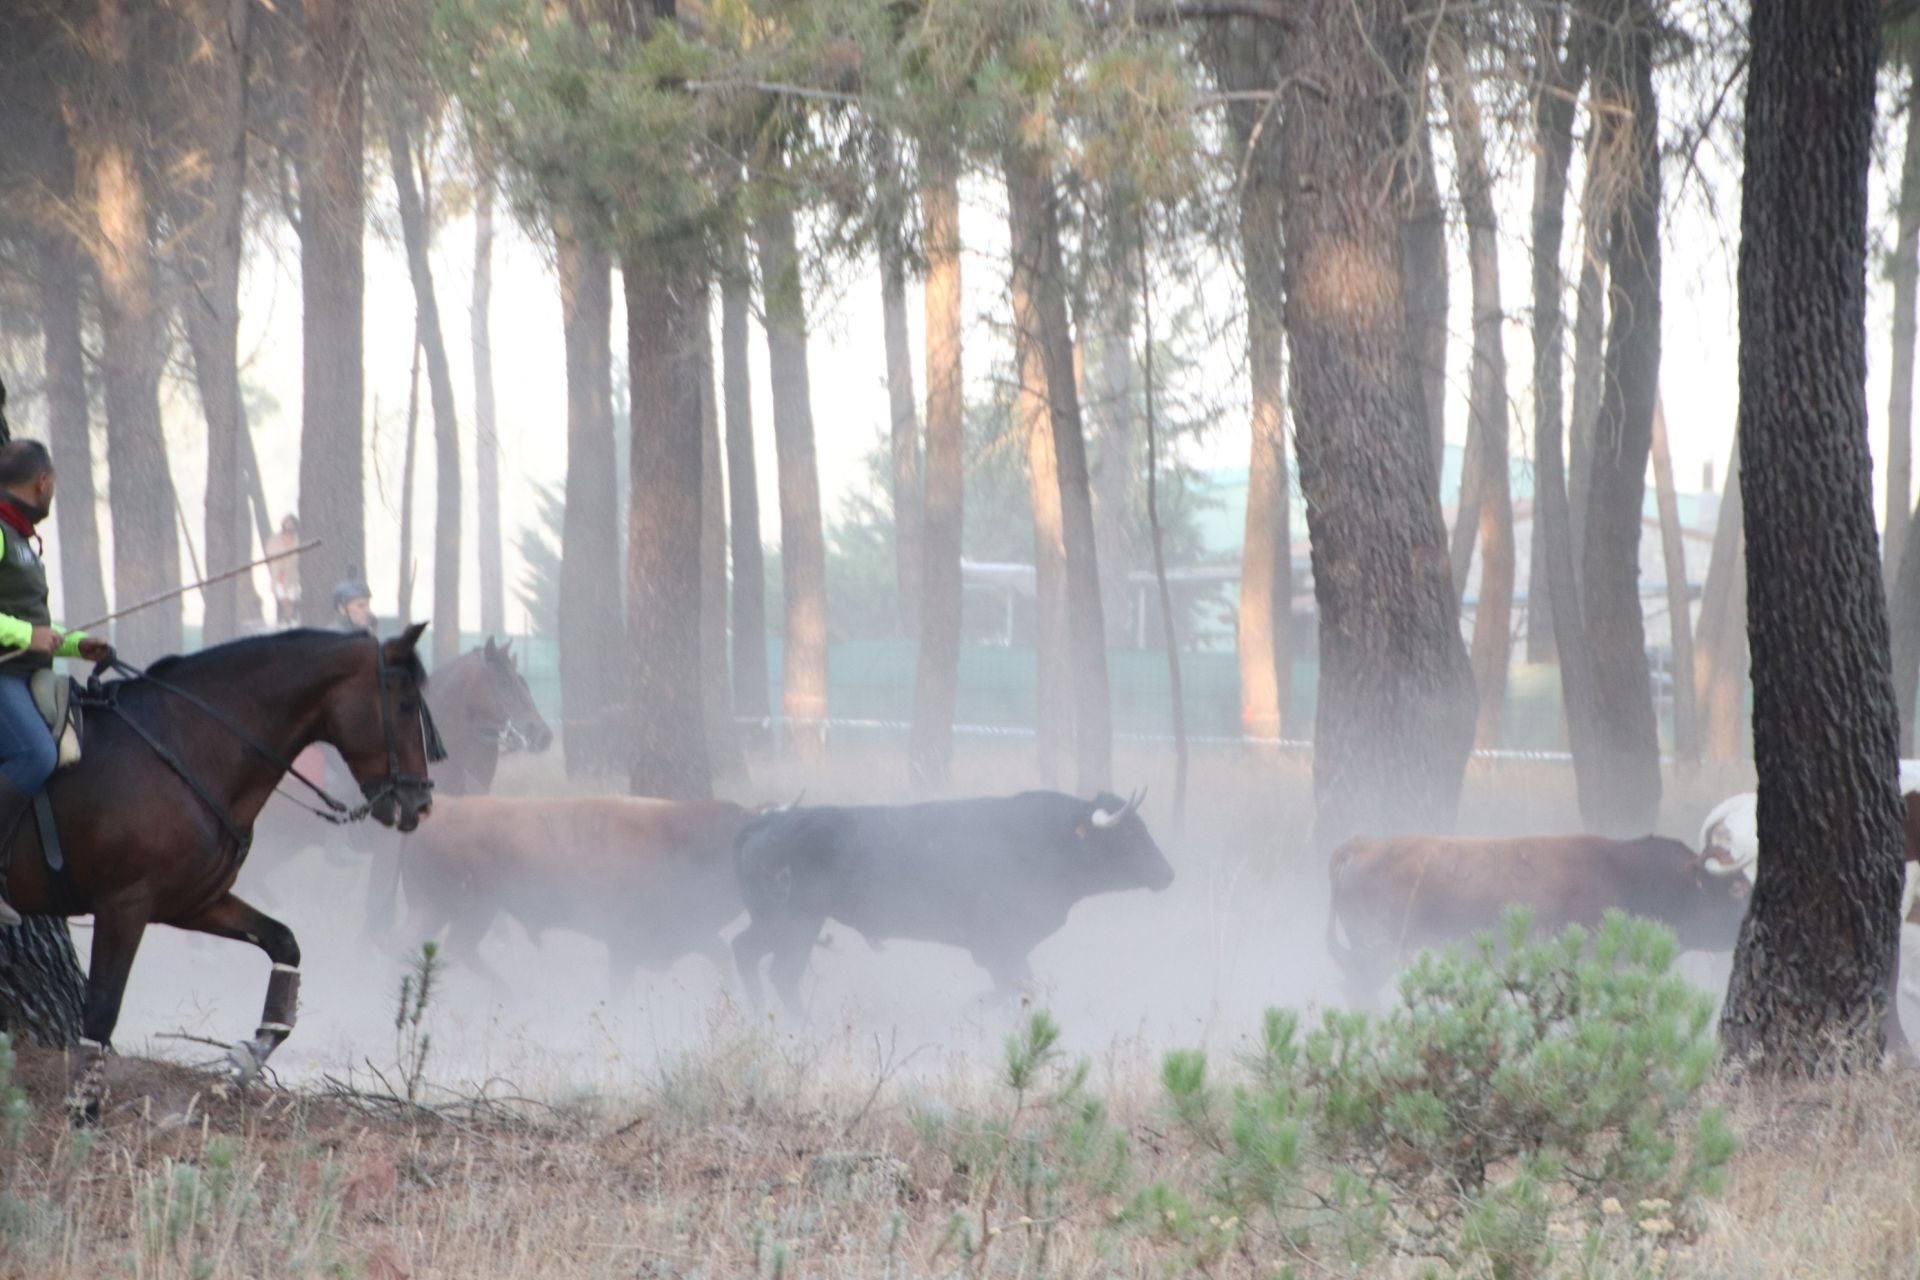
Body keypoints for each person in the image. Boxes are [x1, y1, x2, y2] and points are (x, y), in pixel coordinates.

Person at [0, 439, 112, 927]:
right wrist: (30, 635)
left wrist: (75, 645)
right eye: (53, 486)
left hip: (26, 674)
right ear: (42, 482)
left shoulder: (21, 538)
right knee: (37, 755)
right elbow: (25, 629)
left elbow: (33, 626)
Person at [266, 514, 301, 626]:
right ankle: (285, 619)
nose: (288, 525)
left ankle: (291, 619)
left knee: (292, 599)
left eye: (291, 523)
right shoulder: (275, 540)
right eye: (287, 522)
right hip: (278, 576)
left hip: (292, 577)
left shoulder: (298, 540)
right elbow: (270, 553)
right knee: (282, 599)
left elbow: (297, 558)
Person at [333, 566, 376, 636]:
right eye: (361, 606)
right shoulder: (333, 637)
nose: (367, 610)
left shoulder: (363, 633)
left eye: (368, 605)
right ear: (342, 609)